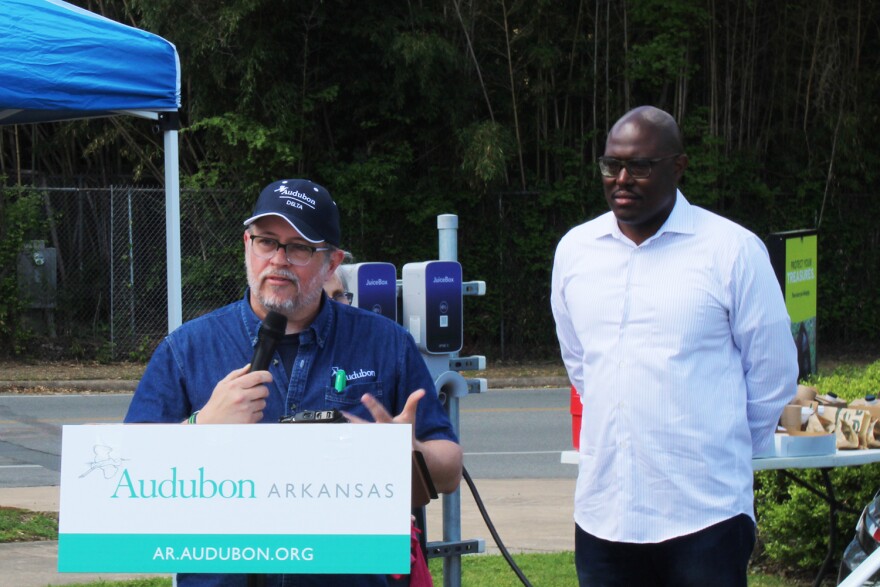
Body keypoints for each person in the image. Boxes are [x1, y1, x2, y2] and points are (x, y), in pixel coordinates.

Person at [125, 178, 462, 587]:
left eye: (300, 247)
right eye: (266, 241)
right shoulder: (188, 348)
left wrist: (410, 452)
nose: (278, 260)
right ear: (247, 245)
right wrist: (202, 429)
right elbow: (128, 479)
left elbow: (449, 469)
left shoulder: (385, 343)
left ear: (332, 262)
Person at [550, 106, 798, 587]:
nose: (621, 179)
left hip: (704, 516)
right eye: (611, 165)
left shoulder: (731, 250)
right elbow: (581, 364)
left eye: (639, 167)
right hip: (605, 515)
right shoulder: (575, 251)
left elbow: (772, 376)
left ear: (678, 167)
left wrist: (713, 447)